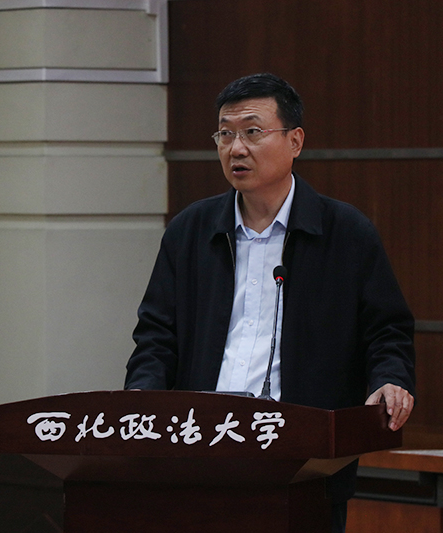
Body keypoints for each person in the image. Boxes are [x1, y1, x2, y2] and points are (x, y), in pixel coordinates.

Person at [124, 73, 416, 533]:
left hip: (303, 465)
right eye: (225, 134)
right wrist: (142, 397)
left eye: (253, 132)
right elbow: (157, 335)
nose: (236, 148)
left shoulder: (345, 233)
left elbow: (386, 330)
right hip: (199, 456)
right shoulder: (191, 231)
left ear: (295, 141)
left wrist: (390, 381)